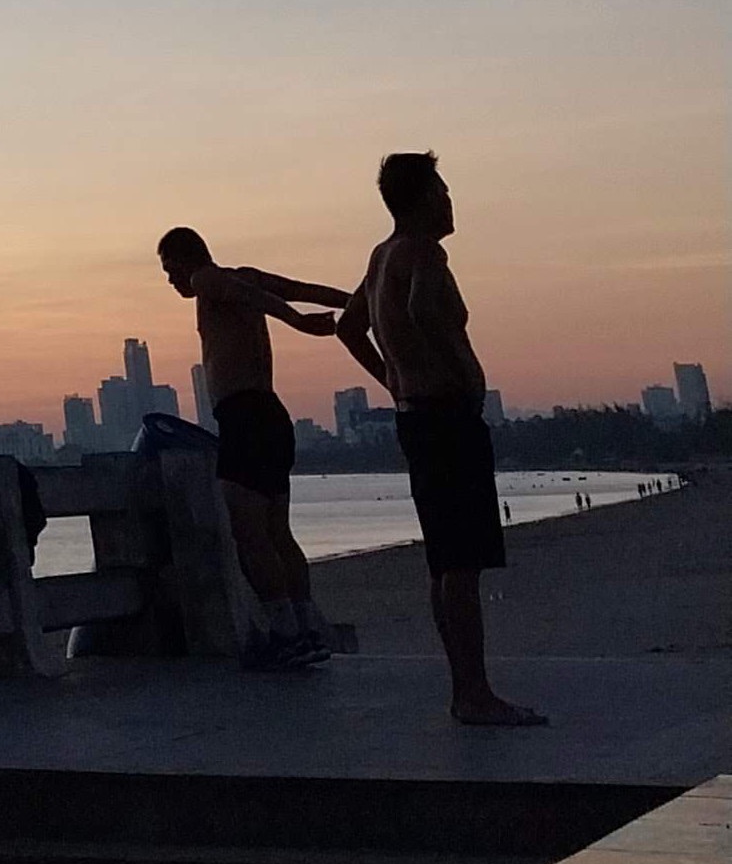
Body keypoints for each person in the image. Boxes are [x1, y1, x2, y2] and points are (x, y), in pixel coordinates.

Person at [333, 153, 543, 728]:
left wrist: (392, 378)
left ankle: (465, 689)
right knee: (462, 562)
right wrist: (458, 372)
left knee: (444, 561)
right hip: (446, 416)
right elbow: (422, 309)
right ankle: (474, 693)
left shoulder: (381, 256)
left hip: (415, 416)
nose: (450, 202)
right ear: (422, 198)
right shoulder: (422, 250)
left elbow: (348, 326)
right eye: (443, 191)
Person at [156, 227, 351, 667]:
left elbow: (257, 296)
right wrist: (354, 301)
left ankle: (285, 633)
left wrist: (299, 323)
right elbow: (296, 288)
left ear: (185, 260)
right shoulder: (243, 277)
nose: (171, 281)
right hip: (270, 416)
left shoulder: (207, 279)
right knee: (278, 532)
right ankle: (305, 628)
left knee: (249, 534)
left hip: (245, 417)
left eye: (169, 270)